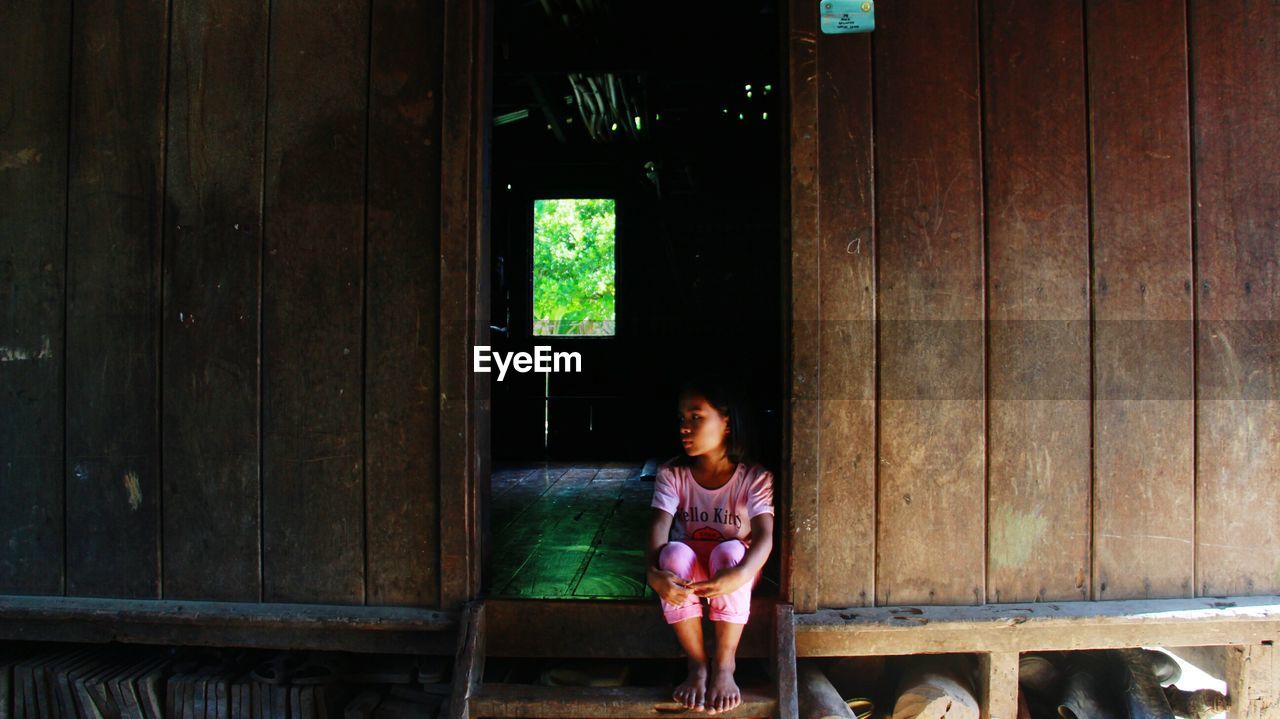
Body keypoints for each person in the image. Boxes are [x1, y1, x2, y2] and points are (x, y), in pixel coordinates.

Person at [645, 378, 775, 714]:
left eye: (696, 417)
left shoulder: (754, 478)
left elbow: (764, 536)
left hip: (733, 573)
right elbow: (658, 528)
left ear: (727, 422)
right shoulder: (673, 475)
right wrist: (653, 575)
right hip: (689, 575)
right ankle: (697, 664)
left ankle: (725, 664)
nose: (684, 428)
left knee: (730, 551)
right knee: (671, 552)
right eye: (681, 419)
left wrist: (742, 573)